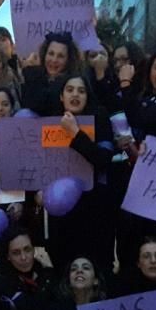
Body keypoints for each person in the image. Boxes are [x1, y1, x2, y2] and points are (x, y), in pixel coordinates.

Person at [43, 75, 117, 273]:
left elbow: (103, 159)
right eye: (70, 90)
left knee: (98, 271)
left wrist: (75, 133)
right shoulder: (50, 123)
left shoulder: (100, 117)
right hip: (62, 216)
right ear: (61, 96)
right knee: (64, 269)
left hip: (95, 212)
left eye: (81, 90)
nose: (75, 94)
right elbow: (41, 166)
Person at [21, 32, 83, 115]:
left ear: (68, 60)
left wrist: (32, 70)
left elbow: (42, 104)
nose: (54, 60)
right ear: (44, 55)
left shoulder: (74, 80)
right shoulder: (36, 75)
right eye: (51, 54)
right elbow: (28, 104)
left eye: (60, 56)